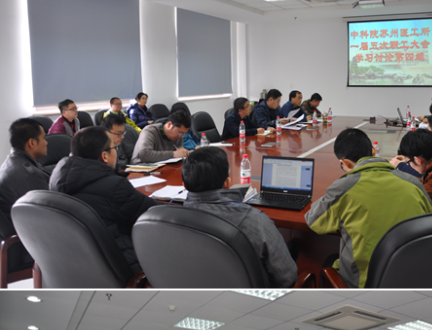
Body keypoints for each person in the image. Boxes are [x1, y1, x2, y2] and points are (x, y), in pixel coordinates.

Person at [306, 128, 432, 288]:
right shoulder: (413, 183)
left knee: (330, 261)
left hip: (365, 285)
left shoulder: (343, 187)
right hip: (411, 278)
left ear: (345, 163)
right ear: (373, 150)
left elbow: (314, 221)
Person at [181, 148, 298, 288]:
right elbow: (287, 278)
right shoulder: (254, 220)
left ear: (184, 185)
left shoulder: (169, 218)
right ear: (227, 183)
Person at [49, 126, 160, 272]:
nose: (116, 151)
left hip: (76, 264)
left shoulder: (56, 179)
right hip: (120, 264)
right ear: (105, 156)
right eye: (114, 147)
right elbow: (155, 214)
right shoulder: (115, 187)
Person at [0, 119, 50, 272]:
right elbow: (48, 218)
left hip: (24, 240)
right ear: (32, 143)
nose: (47, 142)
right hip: (30, 248)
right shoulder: (28, 176)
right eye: (43, 138)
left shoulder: (12, 162)